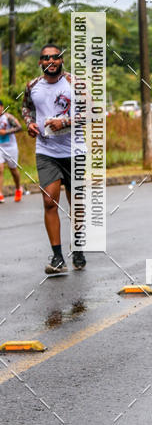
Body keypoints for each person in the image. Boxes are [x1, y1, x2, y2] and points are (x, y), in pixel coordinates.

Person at [22, 44, 86, 273]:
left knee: (75, 202)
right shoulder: (32, 86)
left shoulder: (75, 83)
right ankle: (58, 257)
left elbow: (91, 112)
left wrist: (65, 122)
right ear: (40, 62)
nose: (51, 61)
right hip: (46, 151)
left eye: (55, 57)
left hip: (74, 151)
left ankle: (78, 247)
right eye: (46, 58)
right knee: (49, 201)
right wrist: (29, 123)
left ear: (61, 60)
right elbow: (26, 108)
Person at [0, 99, 23, 203]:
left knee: (13, 170)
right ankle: (0, 194)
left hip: (11, 147)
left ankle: (18, 188)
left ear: (2, 107)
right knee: (0, 169)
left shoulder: (8, 117)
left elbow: (19, 127)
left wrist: (6, 132)